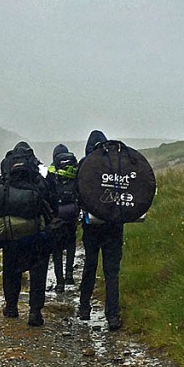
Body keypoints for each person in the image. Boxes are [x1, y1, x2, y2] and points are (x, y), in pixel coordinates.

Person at [0, 141, 55, 326]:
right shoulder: (38, 174)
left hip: (11, 235)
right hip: (35, 234)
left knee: (10, 270)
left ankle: (11, 308)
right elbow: (49, 199)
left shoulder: (4, 178)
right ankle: (35, 312)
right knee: (38, 272)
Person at [77, 130, 125, 331]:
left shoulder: (85, 164)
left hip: (92, 226)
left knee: (89, 265)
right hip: (115, 226)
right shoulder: (117, 164)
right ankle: (112, 316)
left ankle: (84, 307)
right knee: (111, 271)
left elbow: (77, 191)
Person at [48, 143, 80, 293]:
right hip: (72, 213)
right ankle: (69, 275)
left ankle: (60, 283)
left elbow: (46, 193)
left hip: (57, 213)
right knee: (71, 243)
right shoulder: (75, 169)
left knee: (57, 249)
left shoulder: (52, 170)